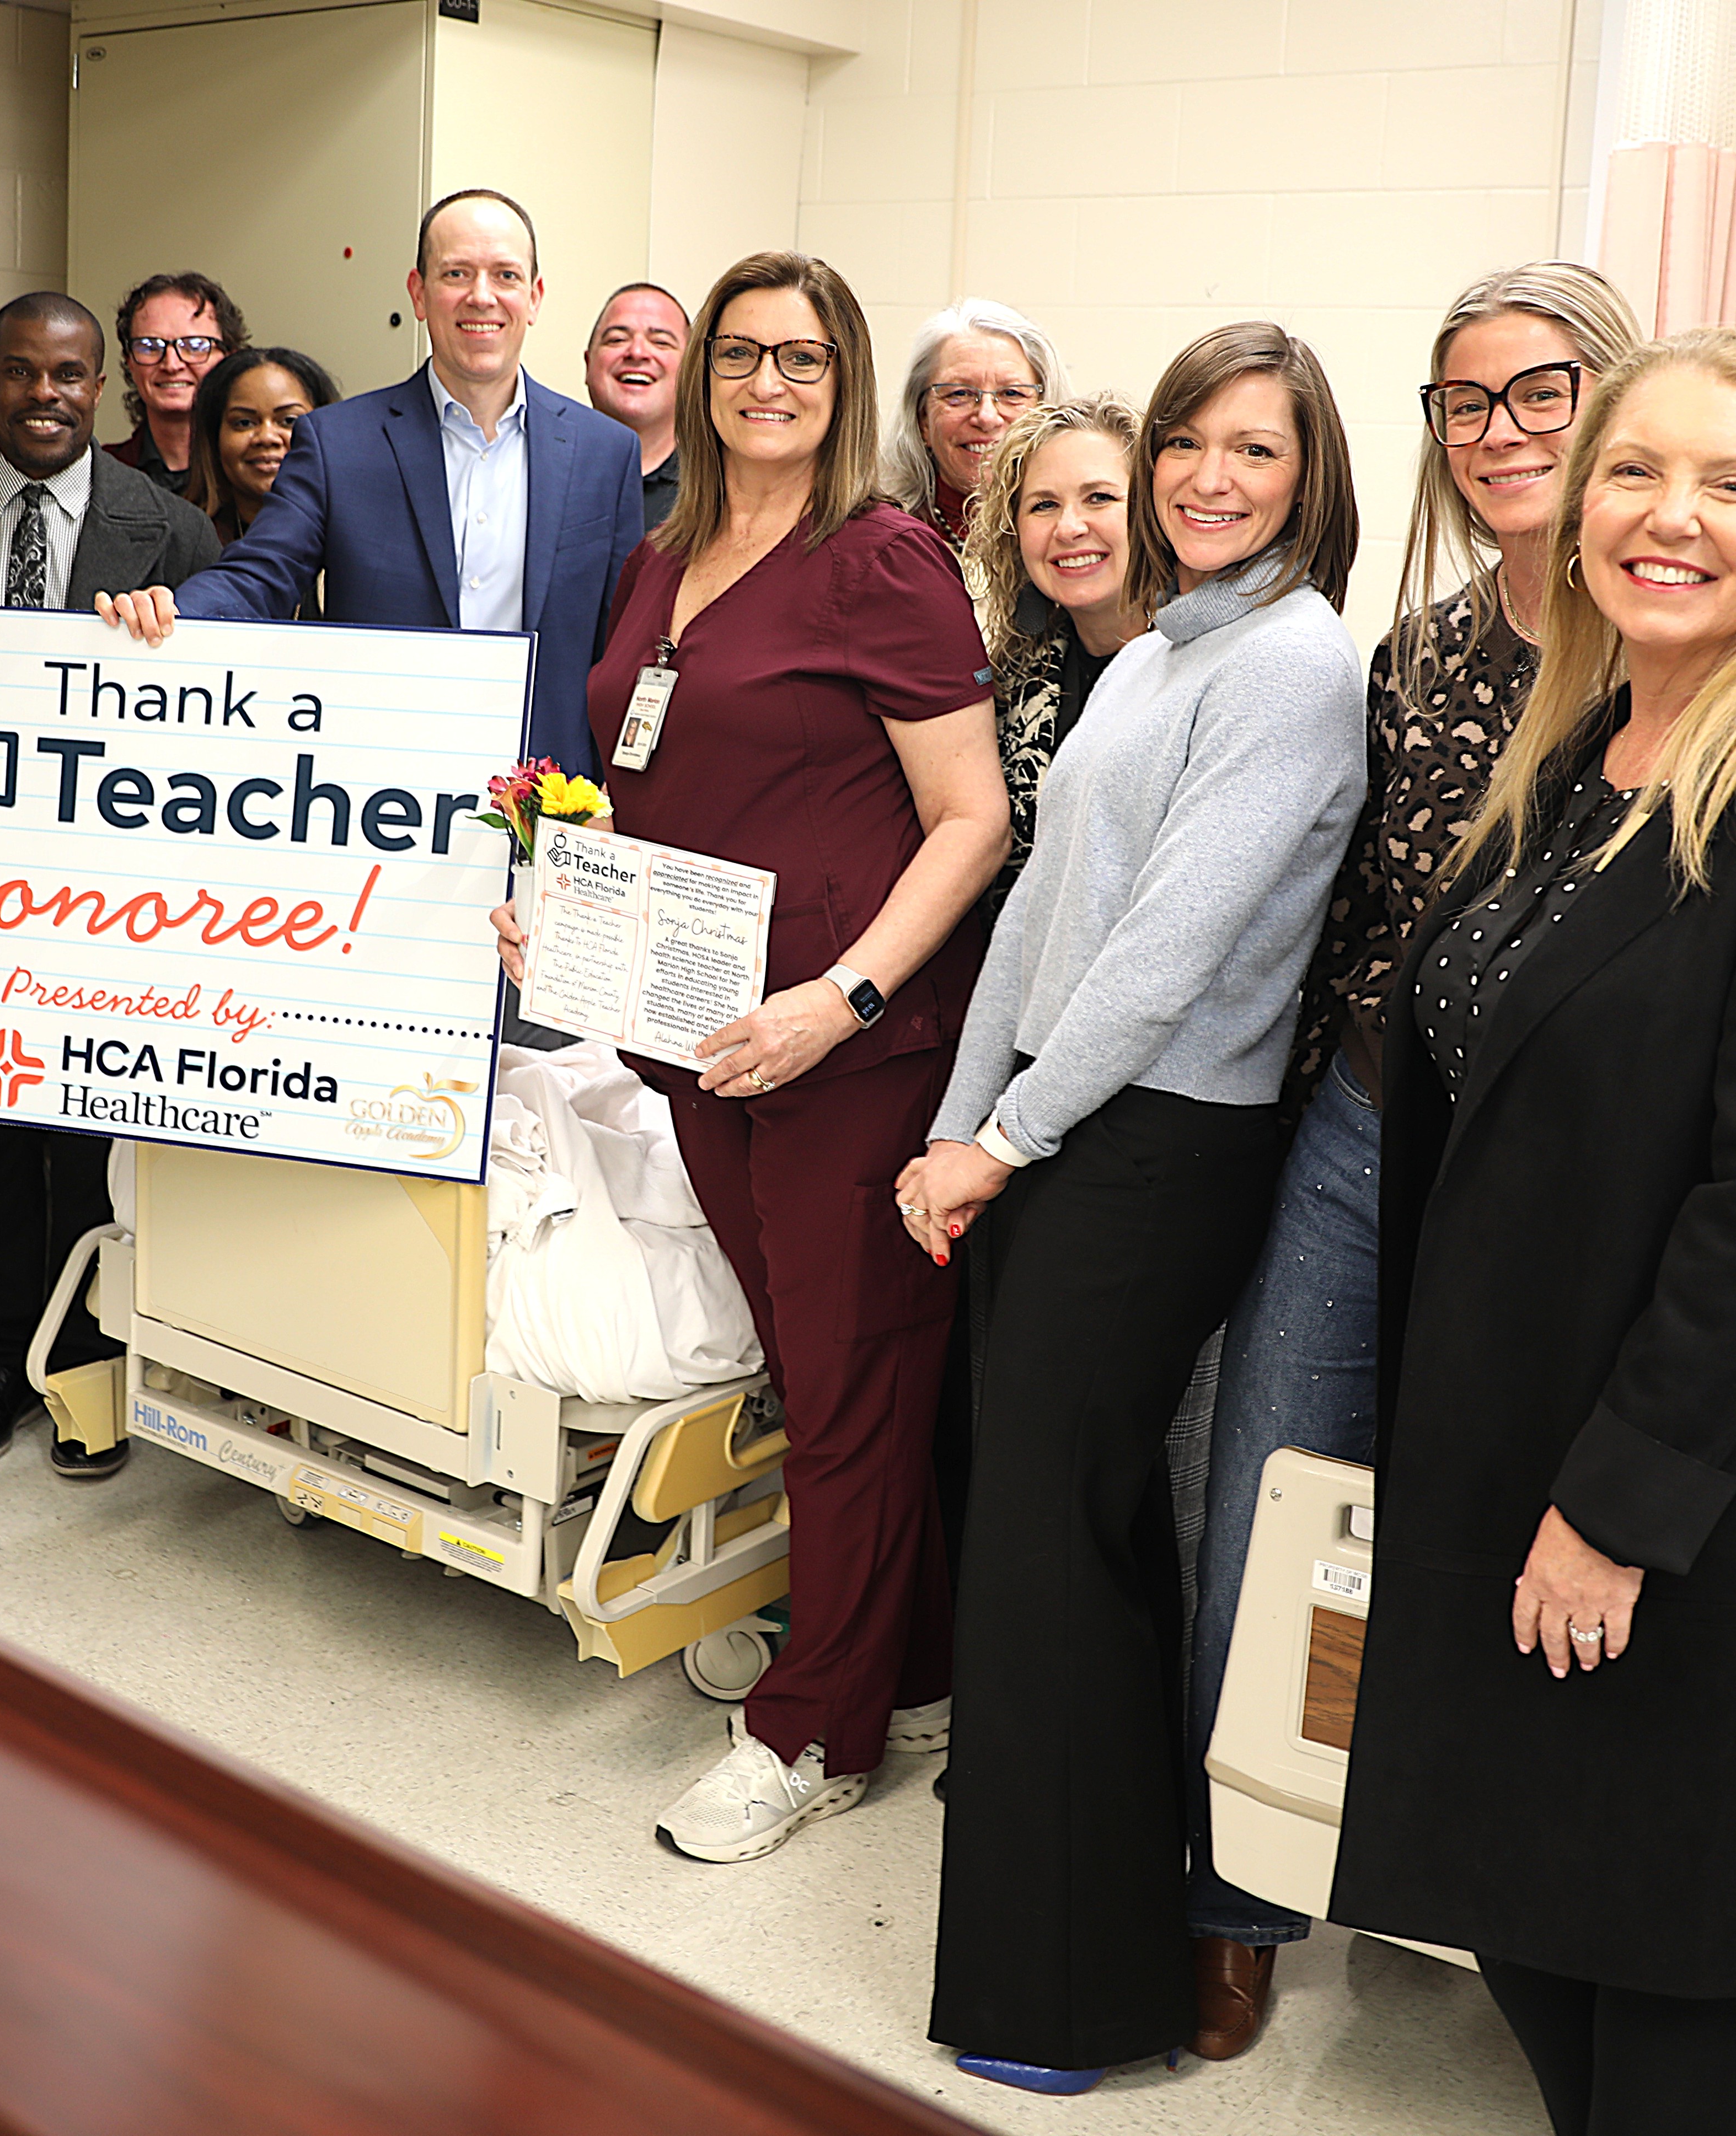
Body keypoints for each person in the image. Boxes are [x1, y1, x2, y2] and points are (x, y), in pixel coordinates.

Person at [1327, 329, 1736, 2136]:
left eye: (1728, 483)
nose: (1666, 516)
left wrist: (1616, 1509)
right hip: (1497, 1434)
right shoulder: (1571, 758)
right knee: (1519, 1919)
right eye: (1634, 471)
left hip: (1678, 1489)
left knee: (1648, 1969)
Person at [1179, 261, 1644, 2059]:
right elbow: (1345, 910)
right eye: (1465, 403)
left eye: (1539, 392)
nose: (1500, 431)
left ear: (1617, 397)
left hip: (1563, 1185)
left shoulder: (1699, 646)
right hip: (1369, 1126)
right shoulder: (1429, 650)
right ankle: (1232, 1895)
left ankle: (1465, 1876)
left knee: (1502, 1542)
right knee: (1271, 1494)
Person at [492, 250, 1007, 1864]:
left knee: (851, 1389)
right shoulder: (668, 556)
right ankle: (906, 1659)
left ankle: (812, 1729)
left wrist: (841, 1000)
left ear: (845, 380)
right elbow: (648, 781)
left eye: (801, 357)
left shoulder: (885, 559)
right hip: (700, 1042)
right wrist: (560, 922)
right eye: (740, 357)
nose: (767, 383)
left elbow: (972, 819)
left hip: (841, 1055)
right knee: (820, 1373)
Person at [908, 324, 1367, 2095]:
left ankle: (1073, 1997)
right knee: (1055, 1540)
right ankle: (1074, 1961)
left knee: (1057, 1554)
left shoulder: (1294, 665)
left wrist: (1003, 1139)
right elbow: (1040, 911)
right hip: (1057, 1131)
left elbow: (1170, 948)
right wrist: (963, 1135)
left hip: (1160, 1139)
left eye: (1252, 451)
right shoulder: (1159, 655)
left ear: (1310, 473)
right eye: (1188, 442)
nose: (1207, 478)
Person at [0, 292, 224, 1478]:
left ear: (102, 382)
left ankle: (87, 1356)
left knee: (87, 1136)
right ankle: (3, 1352)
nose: (45, 396)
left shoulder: (172, 535)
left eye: (69, 375)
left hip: (110, 899)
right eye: (21, 374)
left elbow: (213, 745)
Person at [143, 190, 644, 776]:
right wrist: (174, 610)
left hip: (548, 801)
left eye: (505, 275)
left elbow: (624, 646)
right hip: (381, 796)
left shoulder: (605, 453)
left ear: (534, 297)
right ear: (419, 293)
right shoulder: (338, 443)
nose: (482, 295)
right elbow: (262, 575)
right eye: (456, 273)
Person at [961, 394, 1143, 904]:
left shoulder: (1202, 670)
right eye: (1044, 505)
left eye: (1100, 498)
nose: (1069, 528)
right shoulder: (1010, 682)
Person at [881, 299, 1064, 551]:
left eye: (1012, 393)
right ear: (923, 419)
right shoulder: (885, 541)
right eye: (959, 394)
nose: (987, 418)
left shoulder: (1072, 536)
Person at [176, 345, 342, 545]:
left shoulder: (363, 535)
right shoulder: (184, 542)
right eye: (244, 423)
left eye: (289, 421)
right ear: (214, 440)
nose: (267, 437)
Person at [109, 270, 249, 488]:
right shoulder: (102, 475)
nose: (172, 365)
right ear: (130, 362)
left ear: (229, 358)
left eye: (195, 346)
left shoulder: (256, 471)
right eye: (150, 347)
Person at [582, 281, 688, 531]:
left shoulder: (717, 490)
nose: (637, 352)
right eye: (617, 339)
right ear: (588, 364)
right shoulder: (545, 474)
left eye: (661, 342)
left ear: (691, 372)